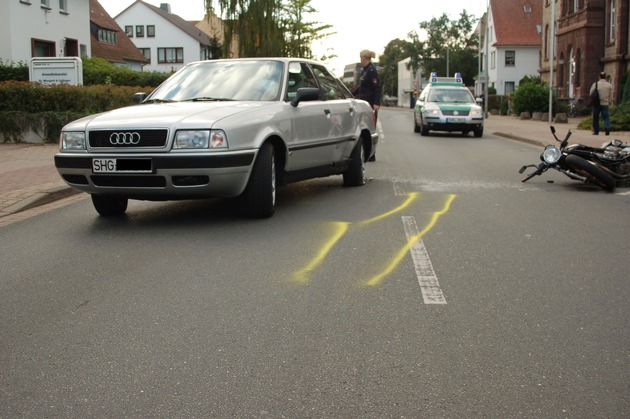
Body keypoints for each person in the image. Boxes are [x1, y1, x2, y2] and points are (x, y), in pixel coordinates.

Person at [352, 49, 381, 122]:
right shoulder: (365, 70)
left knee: (369, 123)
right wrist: (351, 94)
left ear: (364, 58)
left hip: (370, 102)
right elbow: (362, 86)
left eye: (360, 57)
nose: (360, 59)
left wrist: (376, 102)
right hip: (364, 101)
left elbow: (377, 87)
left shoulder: (371, 70)